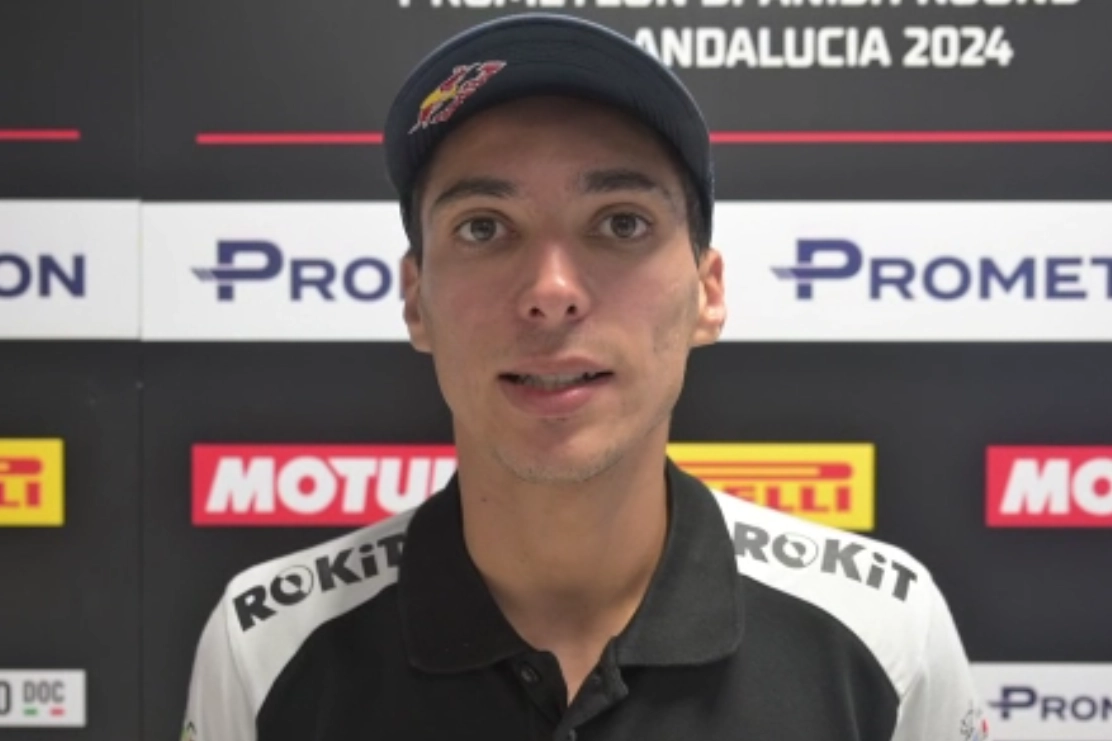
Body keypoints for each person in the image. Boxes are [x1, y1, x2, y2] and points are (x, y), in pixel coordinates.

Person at [181, 13, 988, 741]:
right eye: (485, 227)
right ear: (416, 300)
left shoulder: (884, 638)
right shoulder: (266, 649)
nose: (551, 290)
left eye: (621, 222)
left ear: (708, 294)